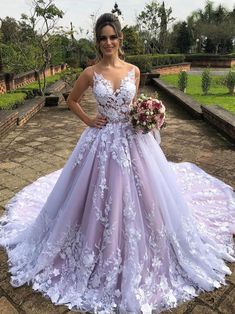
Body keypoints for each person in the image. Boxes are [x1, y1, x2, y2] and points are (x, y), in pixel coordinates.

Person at [0, 13, 234, 314]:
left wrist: (147, 117)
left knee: (146, 197)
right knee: (93, 196)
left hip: (133, 141)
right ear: (97, 42)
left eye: (112, 37)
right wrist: (88, 120)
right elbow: (71, 100)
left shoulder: (134, 71)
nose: (108, 42)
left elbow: (132, 106)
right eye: (102, 38)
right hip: (99, 141)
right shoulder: (89, 73)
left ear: (119, 39)